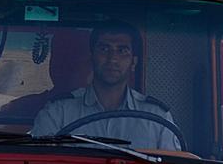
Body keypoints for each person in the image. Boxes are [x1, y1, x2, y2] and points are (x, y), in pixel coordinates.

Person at [30, 20, 181, 150]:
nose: (112, 59)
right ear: (92, 57)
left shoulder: (157, 118)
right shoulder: (58, 112)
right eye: (104, 49)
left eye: (122, 50)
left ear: (134, 62)